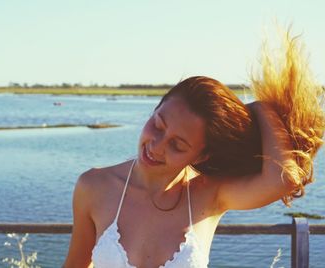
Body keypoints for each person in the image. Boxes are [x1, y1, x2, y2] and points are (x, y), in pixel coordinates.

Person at [63, 31, 325, 268]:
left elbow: (285, 179)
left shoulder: (209, 194)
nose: (156, 146)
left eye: (177, 145)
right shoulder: (94, 186)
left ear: (202, 155)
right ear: (155, 110)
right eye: (158, 125)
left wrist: (261, 109)